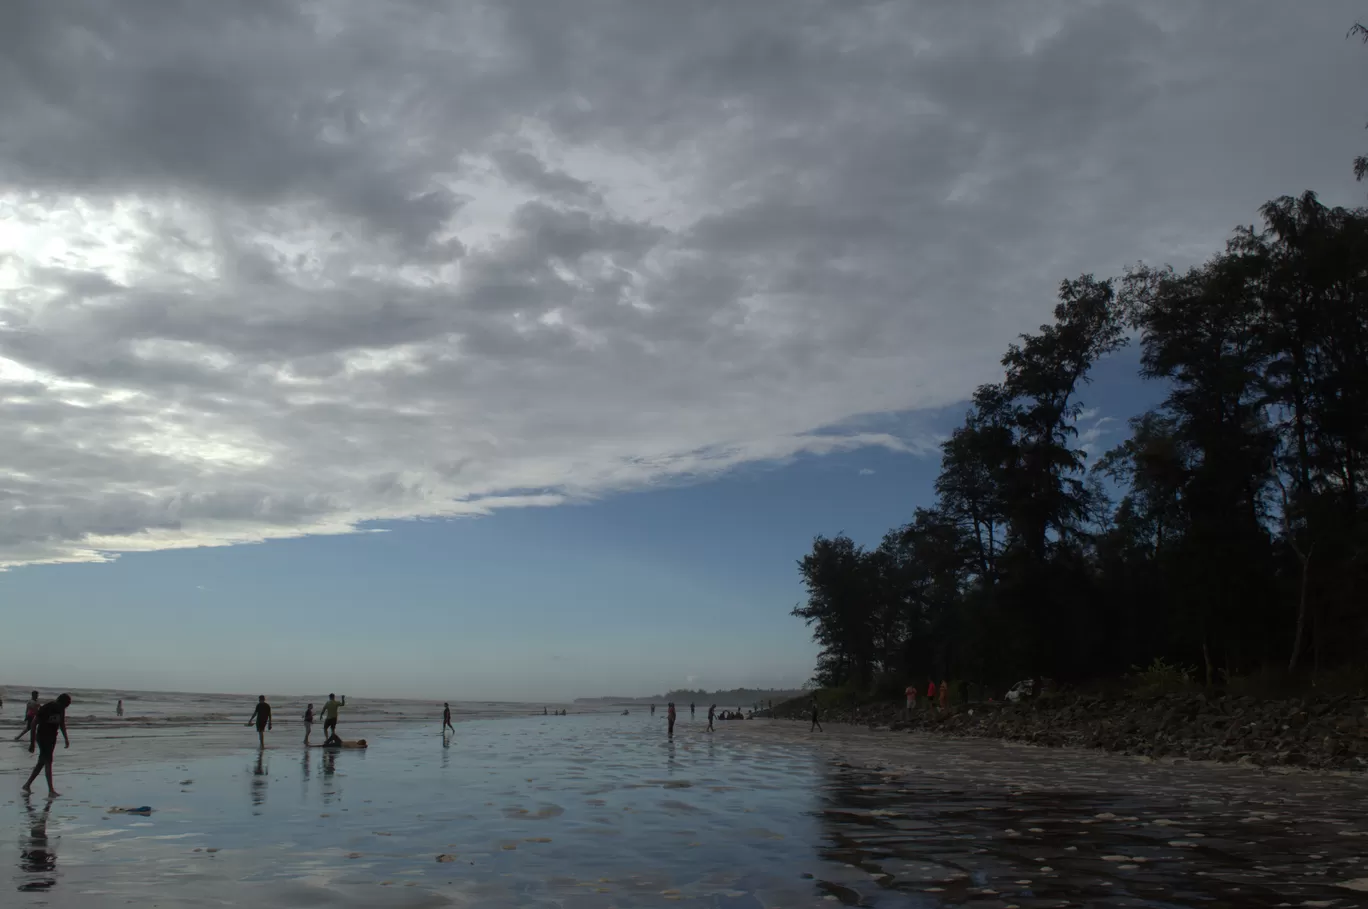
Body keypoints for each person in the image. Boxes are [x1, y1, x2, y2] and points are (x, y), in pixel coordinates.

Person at [23, 693, 71, 796]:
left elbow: (62, 724)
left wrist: (66, 738)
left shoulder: (61, 709)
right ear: (61, 702)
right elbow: (34, 723)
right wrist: (32, 743)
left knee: (42, 762)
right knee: (48, 761)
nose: (66, 707)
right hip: (43, 736)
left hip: (52, 737)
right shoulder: (48, 707)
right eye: (66, 704)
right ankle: (51, 790)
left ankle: (27, 785)